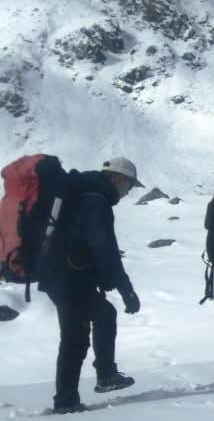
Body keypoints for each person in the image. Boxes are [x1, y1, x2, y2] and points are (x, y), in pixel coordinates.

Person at [37, 157, 144, 414]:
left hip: (62, 276)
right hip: (68, 279)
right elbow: (104, 248)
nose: (127, 192)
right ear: (119, 179)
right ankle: (70, 398)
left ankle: (90, 383)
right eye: (129, 186)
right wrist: (126, 290)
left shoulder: (85, 192)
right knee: (76, 337)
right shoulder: (96, 200)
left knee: (97, 319)